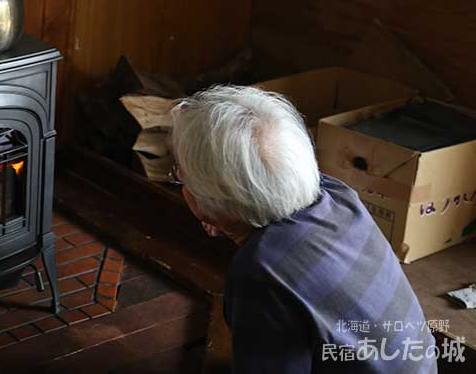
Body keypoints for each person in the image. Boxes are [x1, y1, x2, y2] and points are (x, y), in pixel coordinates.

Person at [170, 85, 437, 373]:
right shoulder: (338, 195)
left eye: (179, 176)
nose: (182, 184)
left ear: (215, 203)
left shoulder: (261, 272)